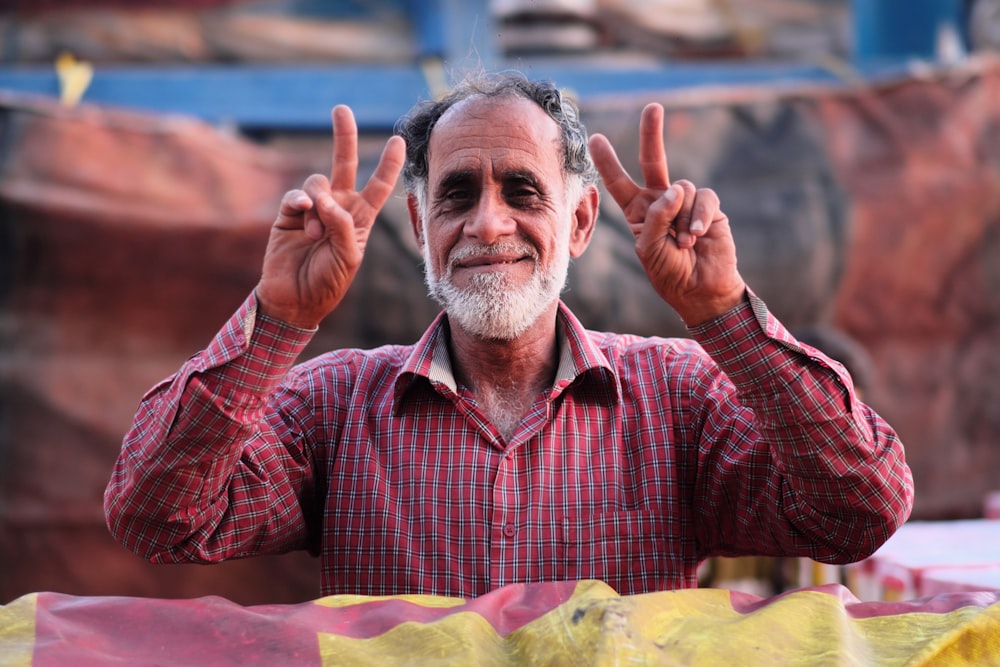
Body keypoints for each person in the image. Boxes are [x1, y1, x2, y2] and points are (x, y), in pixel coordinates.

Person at [104, 71, 913, 599]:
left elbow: (861, 509)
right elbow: (155, 516)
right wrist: (278, 319)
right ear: (421, 223)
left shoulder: (677, 396)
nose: (488, 222)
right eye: (457, 195)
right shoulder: (336, 405)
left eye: (522, 190)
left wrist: (725, 314)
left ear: (581, 221)